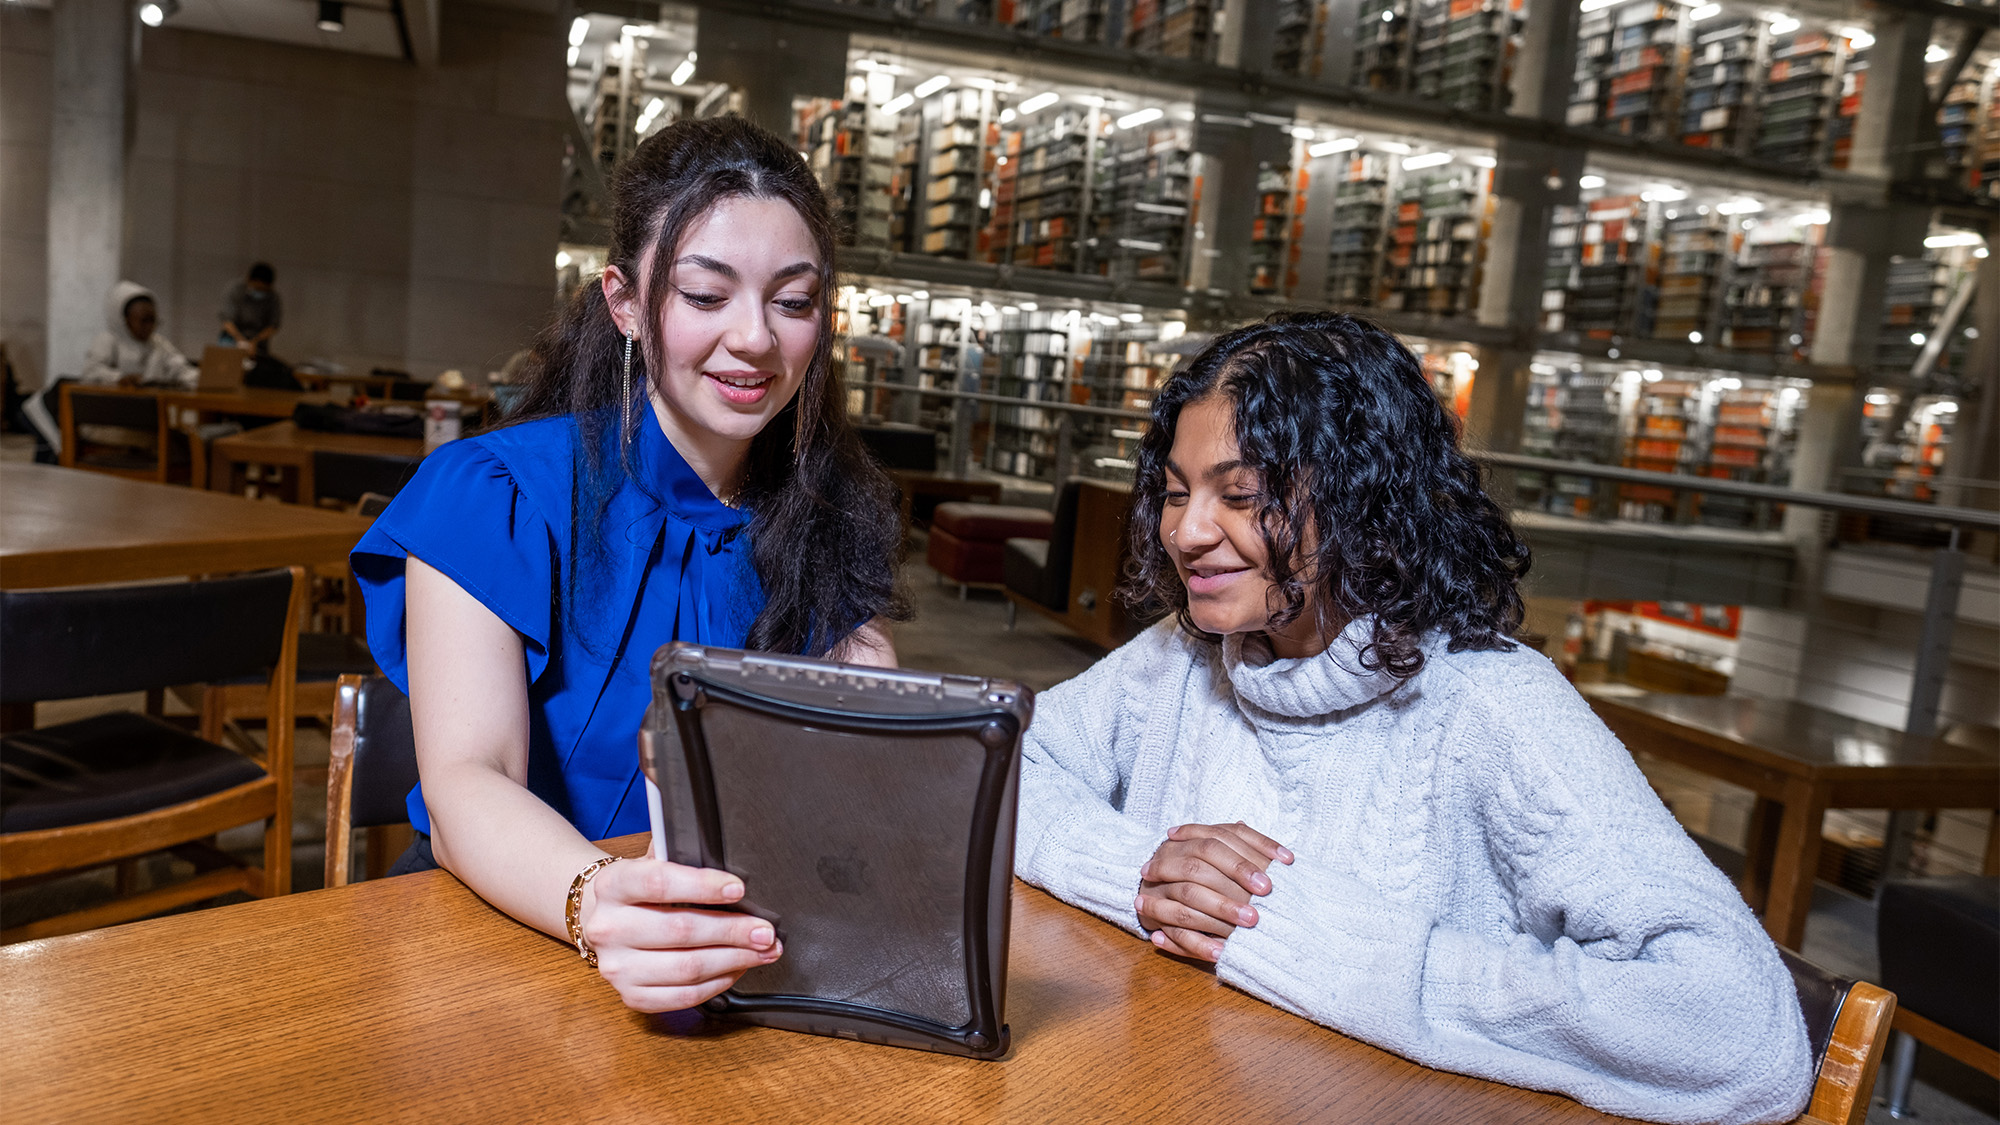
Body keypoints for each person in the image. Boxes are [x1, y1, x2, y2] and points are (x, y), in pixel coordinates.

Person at [1014, 311, 1813, 1125]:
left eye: (1242, 495)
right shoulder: (1178, 656)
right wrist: (1147, 876)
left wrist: (1320, 943)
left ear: (1362, 499)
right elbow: (1001, 773)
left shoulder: (1494, 705)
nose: (1185, 532)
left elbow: (1741, 1030)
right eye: (1177, 493)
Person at [350, 117, 908, 1014]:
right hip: (498, 945)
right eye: (704, 294)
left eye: (793, 301)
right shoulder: (490, 490)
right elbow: (467, 779)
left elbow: (845, 798)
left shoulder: (831, 526)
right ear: (622, 301)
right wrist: (596, 901)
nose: (756, 339)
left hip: (735, 953)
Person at [20, 280, 195, 456]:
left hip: (138, 416)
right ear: (124, 320)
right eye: (143, 321)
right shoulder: (108, 340)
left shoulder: (158, 344)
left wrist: (201, 378)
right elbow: (92, 372)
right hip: (105, 418)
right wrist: (119, 378)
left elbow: (180, 368)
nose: (150, 327)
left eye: (153, 320)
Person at [219, 262, 282, 354]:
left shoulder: (273, 297)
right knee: (226, 359)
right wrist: (241, 341)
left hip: (258, 341)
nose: (259, 291)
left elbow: (273, 326)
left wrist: (255, 341)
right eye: (257, 288)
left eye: (263, 290)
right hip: (232, 337)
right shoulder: (236, 291)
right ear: (249, 280)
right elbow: (226, 320)